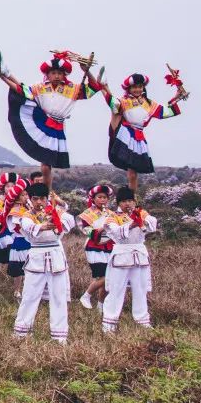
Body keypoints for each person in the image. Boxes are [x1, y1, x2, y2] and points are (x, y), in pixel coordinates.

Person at [0, 53, 96, 190]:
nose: (56, 76)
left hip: (57, 126)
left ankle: (47, 191)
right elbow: (21, 90)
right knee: (45, 164)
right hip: (42, 121)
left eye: (59, 73)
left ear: (64, 74)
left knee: (47, 164)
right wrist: (3, 78)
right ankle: (6, 72)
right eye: (53, 73)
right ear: (47, 74)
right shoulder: (41, 87)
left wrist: (87, 71)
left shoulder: (73, 88)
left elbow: (94, 88)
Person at [96, 73, 185, 193]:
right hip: (126, 135)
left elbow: (164, 112)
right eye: (134, 87)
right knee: (131, 170)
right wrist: (104, 88)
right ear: (129, 89)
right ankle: (129, 198)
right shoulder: (125, 101)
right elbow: (114, 105)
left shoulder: (149, 104)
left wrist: (177, 97)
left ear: (143, 88)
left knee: (134, 173)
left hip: (138, 138)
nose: (137, 89)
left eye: (140, 86)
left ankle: (132, 197)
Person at [11, 184, 75, 344]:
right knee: (29, 296)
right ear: (30, 200)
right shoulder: (26, 216)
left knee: (58, 297)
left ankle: (60, 336)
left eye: (42, 198)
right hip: (36, 258)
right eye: (35, 198)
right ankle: (21, 332)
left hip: (56, 256)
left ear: (47, 199)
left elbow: (70, 221)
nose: (39, 201)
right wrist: (43, 226)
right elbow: (28, 227)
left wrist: (55, 214)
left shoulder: (56, 212)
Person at [102, 187, 157, 333]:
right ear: (119, 203)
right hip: (121, 255)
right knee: (116, 290)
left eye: (130, 201)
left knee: (141, 289)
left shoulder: (141, 212)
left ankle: (142, 320)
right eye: (124, 201)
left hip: (139, 255)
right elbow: (115, 231)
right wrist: (132, 224)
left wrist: (141, 217)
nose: (128, 204)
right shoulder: (112, 216)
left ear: (134, 201)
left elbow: (153, 224)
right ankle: (109, 323)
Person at [78, 184, 114, 311]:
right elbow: (87, 230)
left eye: (105, 197)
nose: (102, 200)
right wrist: (102, 228)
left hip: (109, 246)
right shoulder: (87, 214)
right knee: (104, 277)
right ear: (93, 198)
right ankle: (86, 295)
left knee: (107, 279)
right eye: (99, 197)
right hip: (94, 247)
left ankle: (101, 305)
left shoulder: (111, 213)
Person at [0, 173, 22, 297]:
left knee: (20, 260)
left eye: (13, 186)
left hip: (19, 233)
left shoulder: (21, 201)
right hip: (5, 233)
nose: (10, 188)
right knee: (14, 254)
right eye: (8, 186)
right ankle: (16, 289)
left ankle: (17, 289)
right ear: (3, 188)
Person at [4, 178, 32, 300]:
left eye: (27, 194)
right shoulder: (15, 210)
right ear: (16, 197)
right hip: (21, 241)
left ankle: (30, 291)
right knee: (19, 269)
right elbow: (16, 228)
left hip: (30, 241)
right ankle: (17, 291)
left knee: (31, 268)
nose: (26, 197)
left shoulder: (28, 209)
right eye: (23, 195)